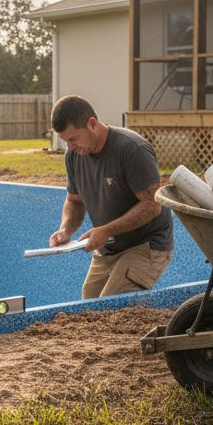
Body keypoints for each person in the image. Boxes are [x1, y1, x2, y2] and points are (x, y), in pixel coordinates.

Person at [48, 95, 172, 299]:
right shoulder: (74, 156)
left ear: (92, 124)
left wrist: (106, 230)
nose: (69, 147)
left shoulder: (131, 149)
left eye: (73, 138)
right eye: (65, 141)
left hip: (146, 244)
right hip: (108, 247)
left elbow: (152, 205)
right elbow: (74, 201)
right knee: (87, 307)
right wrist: (65, 230)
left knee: (110, 306)